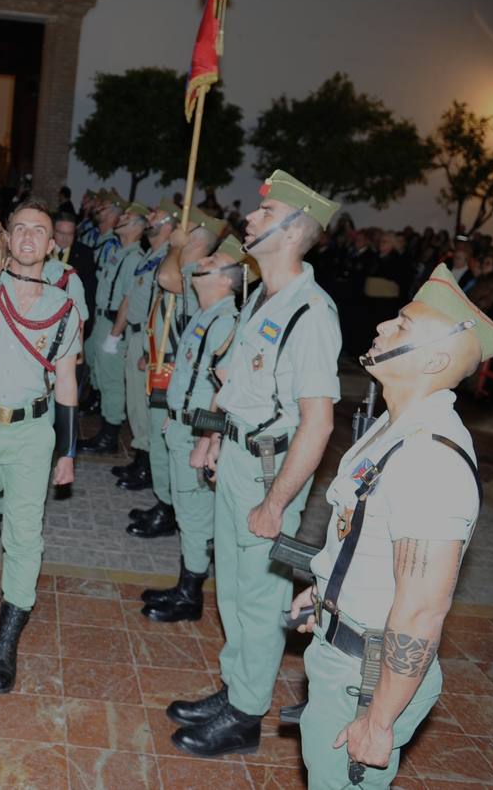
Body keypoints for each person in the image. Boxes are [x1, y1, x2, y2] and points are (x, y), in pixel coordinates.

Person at [288, 264, 493, 788]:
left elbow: (422, 610)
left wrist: (380, 718)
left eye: (404, 325)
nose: (385, 325)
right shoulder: (394, 429)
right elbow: (362, 535)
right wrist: (323, 592)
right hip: (345, 657)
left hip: (367, 679)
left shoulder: (430, 458)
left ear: (435, 359)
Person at [174, 170, 341, 757]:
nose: (250, 218)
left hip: (269, 474)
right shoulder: (262, 297)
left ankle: (245, 718)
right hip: (236, 458)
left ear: (295, 230)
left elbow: (317, 422)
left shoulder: (310, 313)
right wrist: (211, 438)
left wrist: (276, 503)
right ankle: (235, 689)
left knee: (259, 599)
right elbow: (235, 382)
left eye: (265, 215)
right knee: (234, 592)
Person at [0, 202, 82, 691]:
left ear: (53, 245)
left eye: (40, 231)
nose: (30, 237)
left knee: (25, 534)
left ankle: (6, 639)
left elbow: (68, 381)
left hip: (34, 431)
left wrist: (68, 451)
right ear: (7, 239)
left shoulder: (63, 306)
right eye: (21, 229)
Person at [140, 237, 244, 622]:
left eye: (211, 260)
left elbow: (226, 388)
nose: (201, 263)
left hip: (197, 433)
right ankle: (186, 583)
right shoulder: (205, 313)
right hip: (183, 425)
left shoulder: (225, 322)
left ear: (225, 280)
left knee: (196, 516)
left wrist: (206, 436)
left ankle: (191, 595)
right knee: (188, 512)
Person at [130, 212, 227, 542]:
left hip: (178, 380)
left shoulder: (196, 279)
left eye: (191, 239)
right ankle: (165, 503)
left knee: (169, 452)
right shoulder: (193, 275)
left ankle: (173, 512)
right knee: (160, 447)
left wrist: (175, 247)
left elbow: (167, 278)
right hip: (164, 371)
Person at [116, 200, 180, 494]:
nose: (149, 218)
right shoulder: (151, 258)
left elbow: (165, 310)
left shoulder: (169, 261)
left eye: (155, 214)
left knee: (145, 406)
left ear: (169, 225)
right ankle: (141, 456)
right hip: (136, 333)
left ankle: (147, 464)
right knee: (135, 403)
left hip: (150, 338)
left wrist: (150, 350)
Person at [79, 200, 146, 456]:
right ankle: (105, 430)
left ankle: (109, 435)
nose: (122, 218)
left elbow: (127, 302)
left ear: (136, 227)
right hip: (103, 320)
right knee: (102, 376)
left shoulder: (134, 258)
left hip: (114, 325)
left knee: (112, 383)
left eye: (127, 217)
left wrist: (114, 336)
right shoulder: (120, 252)